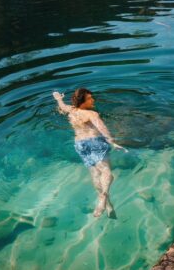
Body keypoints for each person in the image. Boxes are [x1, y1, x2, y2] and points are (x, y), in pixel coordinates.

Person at [53, 88, 126, 218]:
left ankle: (107, 203)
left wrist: (58, 98)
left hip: (80, 145)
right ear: (82, 102)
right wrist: (113, 143)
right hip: (95, 143)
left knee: (95, 173)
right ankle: (103, 197)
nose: (93, 100)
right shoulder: (92, 114)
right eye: (89, 98)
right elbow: (103, 130)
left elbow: (62, 106)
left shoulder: (71, 110)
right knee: (107, 173)